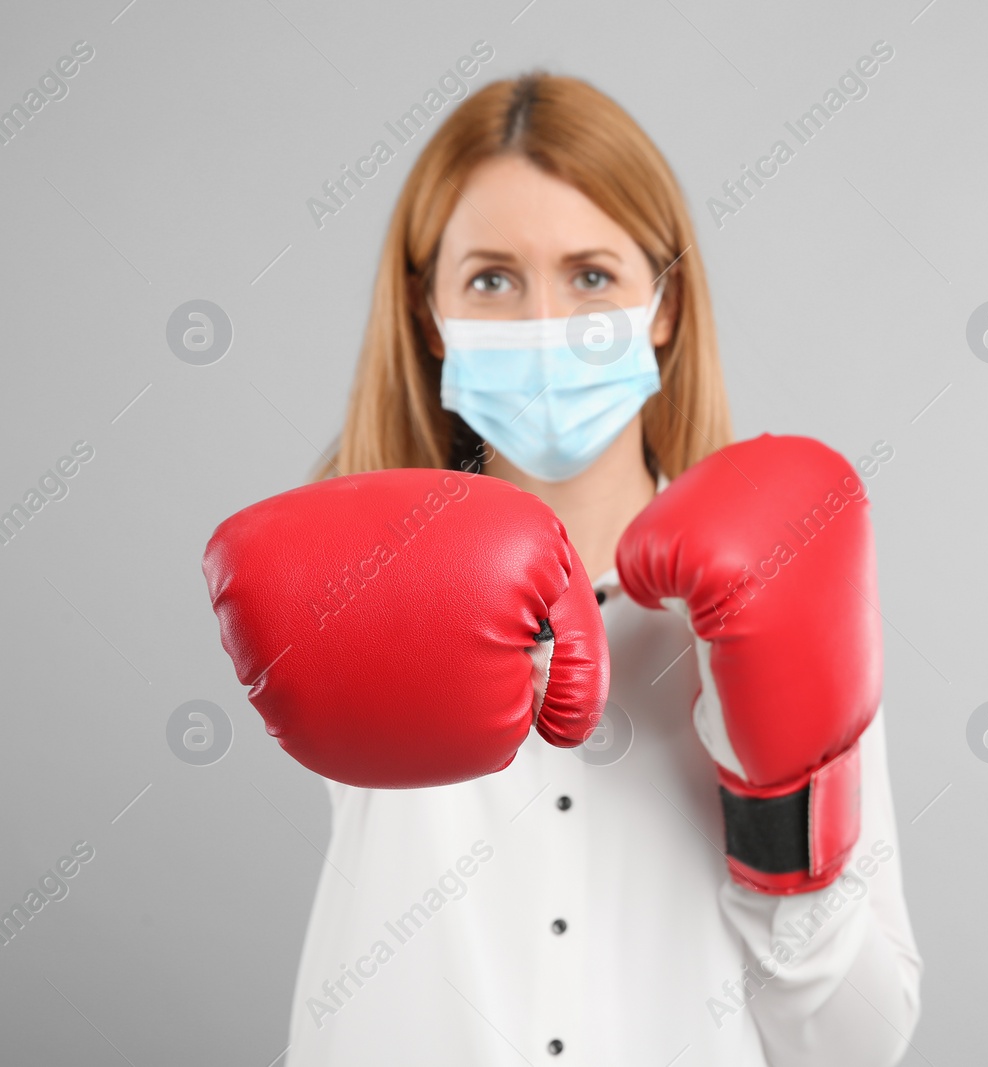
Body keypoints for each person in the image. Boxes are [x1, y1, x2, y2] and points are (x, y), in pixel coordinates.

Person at [208, 73, 922, 1065]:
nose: (545, 324)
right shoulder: (358, 581)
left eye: (591, 275)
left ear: (663, 305)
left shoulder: (778, 585)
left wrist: (781, 824)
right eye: (493, 279)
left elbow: (857, 1045)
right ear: (429, 313)